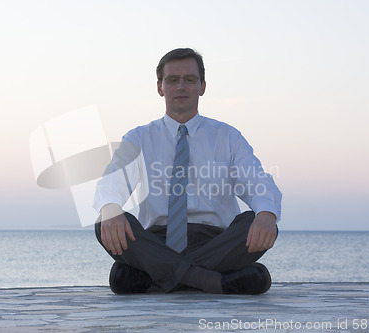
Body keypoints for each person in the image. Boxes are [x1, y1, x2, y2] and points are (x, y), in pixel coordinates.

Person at [93, 48, 282, 294]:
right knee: (105, 220)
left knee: (257, 219)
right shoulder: (138, 138)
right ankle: (212, 280)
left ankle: (153, 277)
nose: (181, 86)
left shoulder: (228, 137)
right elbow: (112, 182)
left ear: (202, 86)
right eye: (172, 80)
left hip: (217, 242)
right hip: (156, 242)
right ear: (160, 87)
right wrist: (110, 207)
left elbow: (258, 182)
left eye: (189, 79)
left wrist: (267, 213)